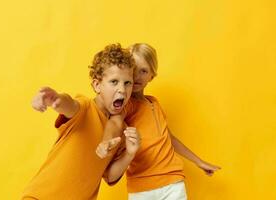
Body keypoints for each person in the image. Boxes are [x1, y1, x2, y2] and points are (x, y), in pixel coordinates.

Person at [96, 43, 221, 200]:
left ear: (152, 76)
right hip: (141, 186)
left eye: (144, 71)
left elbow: (169, 138)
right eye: (133, 70)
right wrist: (105, 142)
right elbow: (114, 122)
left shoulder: (154, 103)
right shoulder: (126, 105)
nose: (137, 76)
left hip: (172, 181)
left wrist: (199, 161)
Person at [21, 43, 140, 200]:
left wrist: (130, 154)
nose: (122, 90)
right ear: (97, 85)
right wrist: (55, 99)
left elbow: (110, 176)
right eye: (114, 82)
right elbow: (70, 104)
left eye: (127, 83)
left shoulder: (121, 132)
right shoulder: (85, 108)